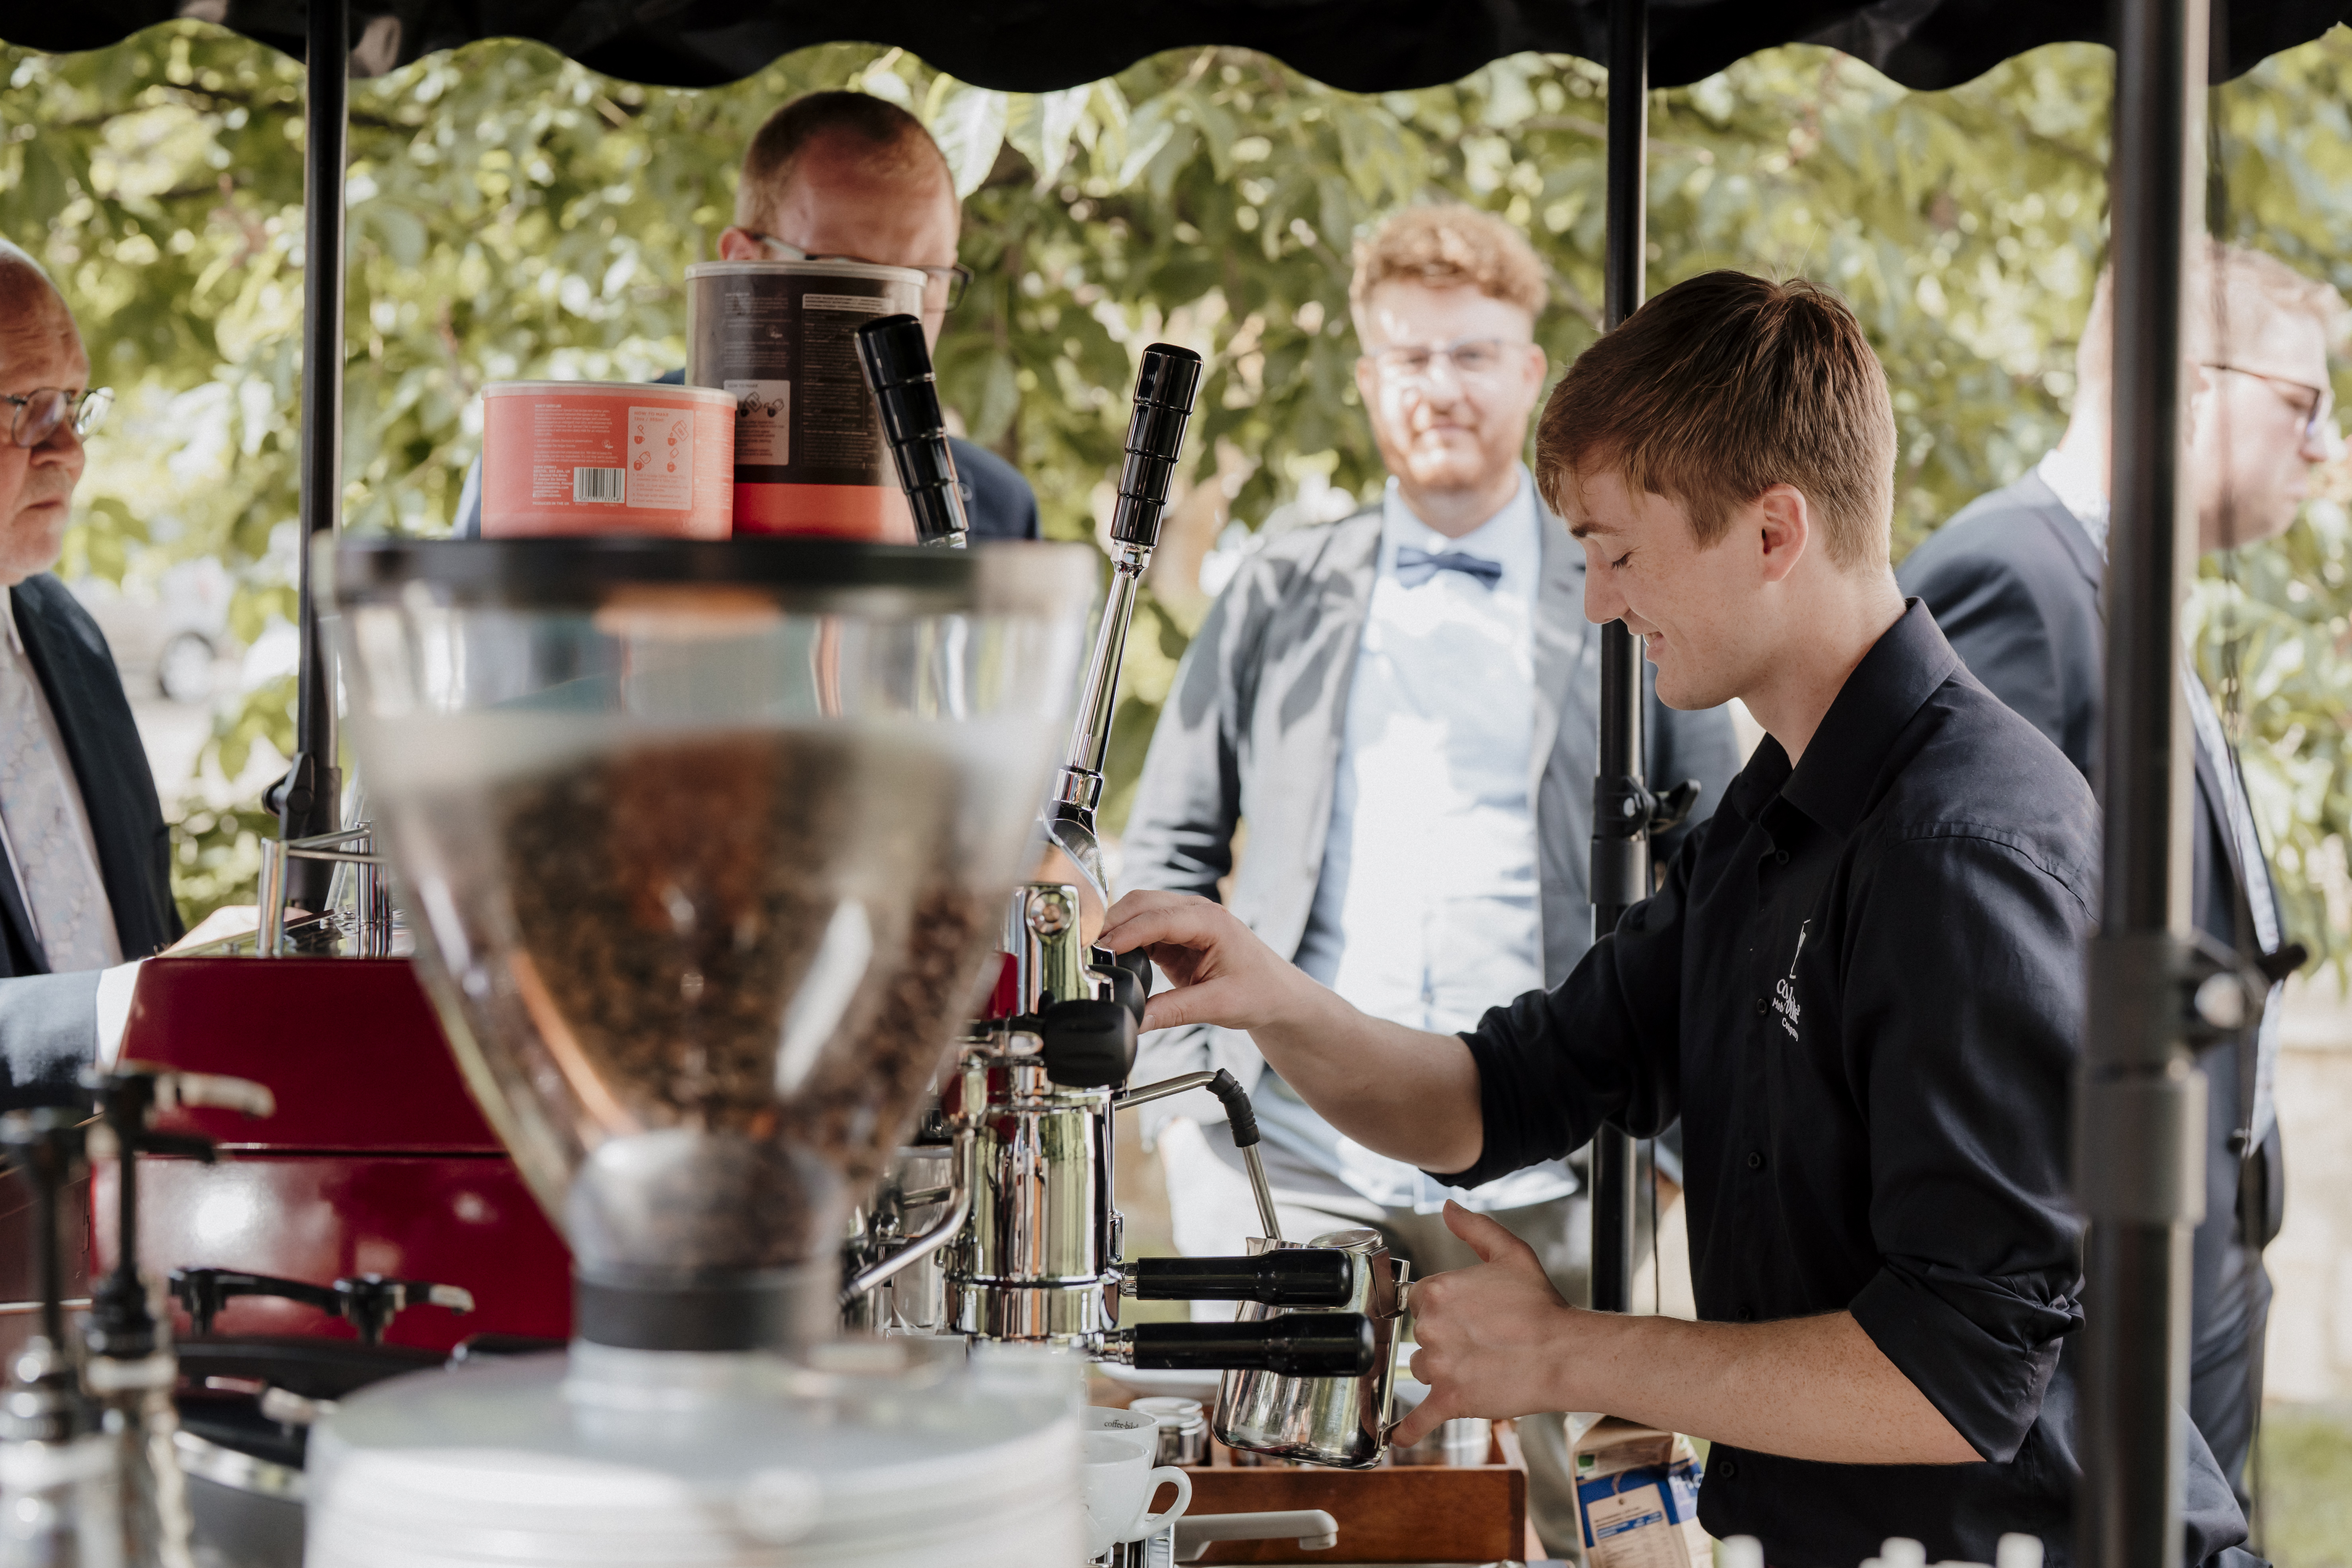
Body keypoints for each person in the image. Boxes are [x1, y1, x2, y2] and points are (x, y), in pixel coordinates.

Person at [1100, 270, 2252, 1566]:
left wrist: (1567, 1352)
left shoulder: (1964, 844)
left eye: (1615, 551)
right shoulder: (1768, 818)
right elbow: (1490, 1097)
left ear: (1772, 533)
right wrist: (1273, 996)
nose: (1594, 599)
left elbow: (1954, 1377)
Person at [1118, 205, 1738, 1554]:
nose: (1439, 387)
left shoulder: (1626, 593)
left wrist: (1678, 1153)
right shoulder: (1282, 590)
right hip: (1288, 1165)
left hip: (1559, 1166)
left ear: (1529, 374)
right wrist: (1188, 1134)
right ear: (1365, 379)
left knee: (1590, 1527)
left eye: (1471, 355)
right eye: (1408, 358)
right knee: (1267, 1522)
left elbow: (1722, 876)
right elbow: (1165, 854)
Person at [1900, 240, 2344, 1509]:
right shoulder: (2011, 582)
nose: (2323, 448)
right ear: (2187, 385)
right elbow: (1966, 983)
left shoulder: (2120, 583)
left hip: (2194, 1253)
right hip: (2100, 1288)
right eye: (2303, 403)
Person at [457, 90, 1037, 540]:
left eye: (928, 279)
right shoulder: (556, 468)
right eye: (846, 275)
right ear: (742, 263)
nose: (897, 320)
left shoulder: (1000, 509)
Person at [0, 242, 182, 1105]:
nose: (68, 449)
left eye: (72, 402)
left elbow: (142, 925)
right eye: (24, 406)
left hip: (131, 1215)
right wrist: (125, 1013)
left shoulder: (68, 632)